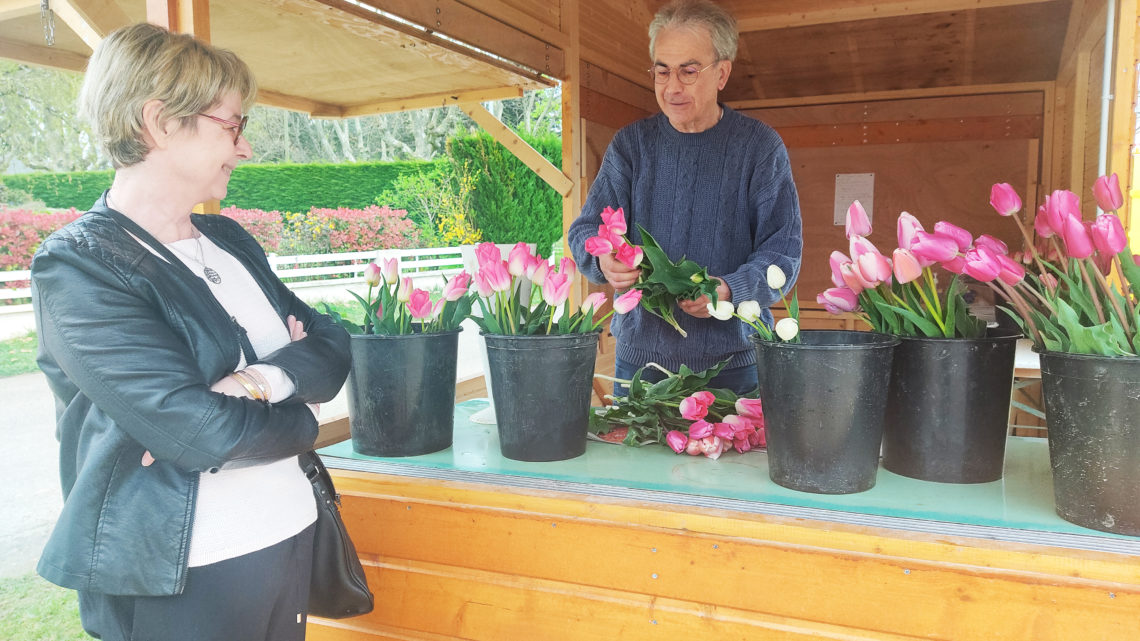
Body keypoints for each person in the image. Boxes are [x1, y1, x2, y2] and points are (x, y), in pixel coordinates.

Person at [31, 24, 351, 641]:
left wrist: (257, 379)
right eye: (232, 125)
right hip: (184, 570)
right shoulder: (79, 266)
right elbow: (201, 429)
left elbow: (332, 348)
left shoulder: (229, 240)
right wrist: (305, 417)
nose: (244, 147)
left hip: (287, 532)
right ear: (159, 123)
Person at [567, 0, 802, 396]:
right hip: (639, 363)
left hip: (733, 367)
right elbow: (586, 230)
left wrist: (727, 288)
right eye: (662, 71)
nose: (672, 87)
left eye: (688, 71)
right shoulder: (630, 146)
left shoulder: (760, 148)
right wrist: (604, 260)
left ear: (722, 73)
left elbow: (783, 254)